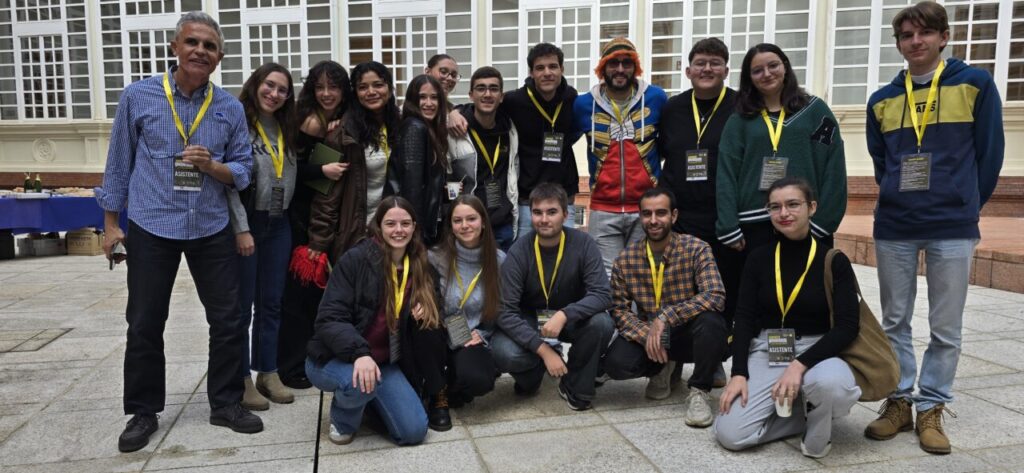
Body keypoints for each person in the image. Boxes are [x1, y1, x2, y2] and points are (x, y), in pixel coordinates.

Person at [96, 11, 262, 453]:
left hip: (210, 226)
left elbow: (244, 171)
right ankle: (143, 410)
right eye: (193, 42)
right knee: (145, 321)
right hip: (153, 224)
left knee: (228, 319)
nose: (200, 51)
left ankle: (225, 403)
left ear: (219, 57)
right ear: (175, 47)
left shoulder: (228, 108)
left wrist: (214, 166)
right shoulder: (138, 96)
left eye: (210, 46)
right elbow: (119, 164)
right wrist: (111, 226)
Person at [863, 1, 1004, 455]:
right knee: (895, 321)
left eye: (924, 33)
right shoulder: (882, 99)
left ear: (943, 37)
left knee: (946, 326)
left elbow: (990, 153)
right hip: (896, 225)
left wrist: (967, 204)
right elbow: (883, 161)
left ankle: (932, 406)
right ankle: (900, 400)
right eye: (906, 35)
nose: (915, 42)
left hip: (952, 225)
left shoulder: (975, 85)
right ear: (899, 44)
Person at [714, 177, 861, 459]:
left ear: (812, 207)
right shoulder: (758, 258)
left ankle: (818, 423)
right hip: (768, 349)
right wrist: (739, 373)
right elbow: (743, 317)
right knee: (731, 435)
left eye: (793, 204)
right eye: (775, 207)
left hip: (818, 351)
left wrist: (798, 365)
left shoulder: (833, 259)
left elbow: (847, 327)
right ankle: (806, 410)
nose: (784, 213)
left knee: (831, 387)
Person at [306, 196, 450, 445]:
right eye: (390, 224)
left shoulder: (419, 263)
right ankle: (343, 419)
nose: (398, 230)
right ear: (378, 226)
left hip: (384, 363)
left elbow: (437, 303)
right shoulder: (356, 260)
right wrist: (359, 354)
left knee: (414, 432)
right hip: (337, 357)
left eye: (405, 223)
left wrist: (427, 307)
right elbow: (329, 318)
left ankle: (370, 403)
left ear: (414, 227)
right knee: (362, 385)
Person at [603, 188, 727, 427]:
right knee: (617, 364)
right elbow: (619, 310)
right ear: (640, 217)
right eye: (647, 214)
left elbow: (715, 295)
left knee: (712, 323)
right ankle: (662, 366)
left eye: (661, 213)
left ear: (674, 215)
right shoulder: (625, 259)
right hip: (652, 336)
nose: (653, 220)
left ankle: (699, 389)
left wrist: (666, 317)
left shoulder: (696, 248)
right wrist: (646, 333)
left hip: (687, 332)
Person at [658, 40, 742, 379]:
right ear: (687, 69)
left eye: (715, 63)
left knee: (723, 293)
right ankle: (675, 358)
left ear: (726, 69)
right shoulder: (673, 108)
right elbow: (664, 154)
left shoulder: (740, 105)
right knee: (680, 291)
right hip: (682, 219)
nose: (707, 69)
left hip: (724, 219)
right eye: (701, 63)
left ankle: (714, 359)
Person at [492, 182, 615, 411]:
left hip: (569, 319)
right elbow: (504, 311)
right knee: (503, 350)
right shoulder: (519, 250)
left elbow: (603, 294)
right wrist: (544, 350)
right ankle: (536, 372)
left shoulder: (583, 243)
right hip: (531, 320)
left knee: (602, 323)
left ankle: (573, 383)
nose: (544, 219)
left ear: (565, 214)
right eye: (537, 213)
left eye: (552, 212)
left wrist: (565, 314)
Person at [716, 43, 847, 254]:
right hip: (753, 226)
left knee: (808, 287)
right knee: (758, 287)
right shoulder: (740, 119)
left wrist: (823, 222)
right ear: (749, 77)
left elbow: (834, 168)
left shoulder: (815, 111)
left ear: (785, 66)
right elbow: (726, 173)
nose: (766, 74)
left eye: (773, 66)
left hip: (806, 224)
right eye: (757, 70)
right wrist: (728, 225)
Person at [450, 43, 579, 238]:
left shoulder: (571, 97)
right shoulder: (515, 101)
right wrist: (453, 112)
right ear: (531, 72)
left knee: (566, 258)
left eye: (553, 66)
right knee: (527, 259)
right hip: (528, 199)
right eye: (540, 68)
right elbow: (483, 104)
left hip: (564, 197)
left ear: (562, 69)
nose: (547, 73)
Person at [227, 63, 298, 411]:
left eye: (283, 90)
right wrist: (240, 228)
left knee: (272, 304)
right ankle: (241, 378)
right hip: (248, 222)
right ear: (256, 85)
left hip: (279, 223)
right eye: (269, 86)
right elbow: (227, 183)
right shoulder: (237, 122)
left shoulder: (287, 126)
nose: (274, 94)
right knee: (242, 309)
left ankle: (268, 372)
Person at [276, 60, 351, 390]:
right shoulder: (306, 120)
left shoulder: (342, 118)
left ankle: (312, 357)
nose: (326, 93)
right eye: (319, 87)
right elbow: (293, 171)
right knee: (298, 296)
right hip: (301, 218)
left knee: (322, 295)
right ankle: (291, 365)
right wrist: (321, 170)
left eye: (333, 87)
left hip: (328, 216)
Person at [574, 37, 668, 274]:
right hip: (603, 207)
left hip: (646, 207)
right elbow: (562, 137)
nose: (620, 69)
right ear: (602, 68)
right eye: (613, 63)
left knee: (644, 278)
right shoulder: (583, 104)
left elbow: (668, 143)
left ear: (635, 67)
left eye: (627, 63)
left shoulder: (656, 98)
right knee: (606, 281)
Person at [308, 61, 400, 263]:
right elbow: (322, 192)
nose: (371, 91)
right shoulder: (336, 132)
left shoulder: (402, 125)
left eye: (378, 84)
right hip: (356, 235)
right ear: (355, 93)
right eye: (362, 87)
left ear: (390, 88)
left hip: (396, 232)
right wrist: (319, 239)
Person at [428, 195, 504, 408]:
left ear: (483, 222)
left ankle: (454, 381)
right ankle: (436, 392)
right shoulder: (434, 257)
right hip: (437, 332)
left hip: (470, 335)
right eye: (457, 220)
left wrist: (483, 333)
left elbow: (504, 308)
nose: (464, 226)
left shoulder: (499, 261)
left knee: (479, 380)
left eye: (471, 219)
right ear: (450, 225)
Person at [447, 67, 519, 250]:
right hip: (468, 225)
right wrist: (452, 111)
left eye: (494, 89)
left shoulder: (510, 129)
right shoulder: (456, 131)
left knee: (501, 278)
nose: (487, 94)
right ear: (471, 95)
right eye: (481, 88)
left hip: (502, 225)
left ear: (501, 96)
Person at [385, 74, 449, 247]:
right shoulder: (415, 128)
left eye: (434, 97)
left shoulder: (428, 129)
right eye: (422, 97)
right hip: (414, 233)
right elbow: (412, 189)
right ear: (412, 100)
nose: (429, 103)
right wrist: (416, 237)